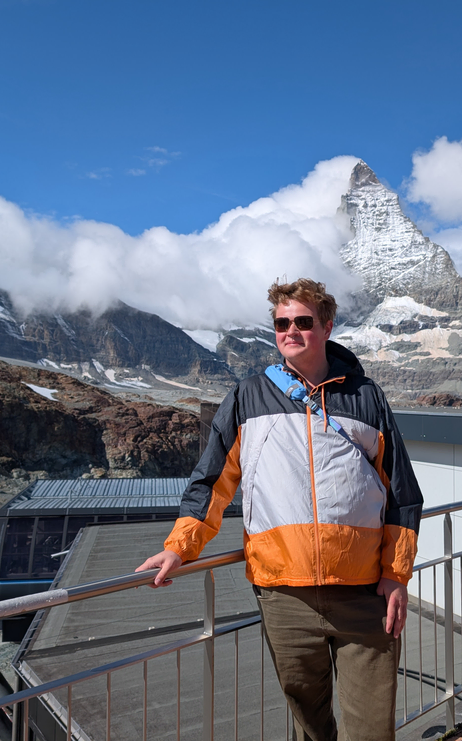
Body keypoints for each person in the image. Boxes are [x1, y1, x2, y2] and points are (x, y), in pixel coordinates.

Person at [137, 278, 423, 740]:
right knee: (309, 727)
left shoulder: (366, 397)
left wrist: (395, 574)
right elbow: (212, 483)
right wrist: (180, 548)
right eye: (282, 323)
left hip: (365, 592)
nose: (292, 330)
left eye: (304, 321)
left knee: (371, 730)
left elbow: (402, 494)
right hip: (283, 594)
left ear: (327, 326)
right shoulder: (247, 396)